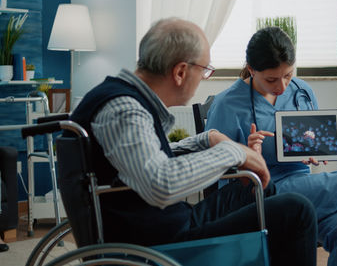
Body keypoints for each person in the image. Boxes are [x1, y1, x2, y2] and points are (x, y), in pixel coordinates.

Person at [69, 18, 317, 266]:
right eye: (204, 70)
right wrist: (235, 152)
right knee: (297, 210)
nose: (204, 78)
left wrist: (206, 139)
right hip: (160, 243)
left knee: (260, 190)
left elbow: (139, 161)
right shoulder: (124, 110)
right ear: (180, 72)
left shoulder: (121, 100)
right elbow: (160, 184)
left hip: (169, 223)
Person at [206, 27, 337, 266]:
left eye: (288, 75)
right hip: (261, 194)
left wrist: (311, 152)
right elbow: (216, 174)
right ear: (252, 69)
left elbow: (309, 138)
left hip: (301, 189)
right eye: (271, 79)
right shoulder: (227, 105)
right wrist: (246, 155)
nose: (283, 86)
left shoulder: (302, 91)